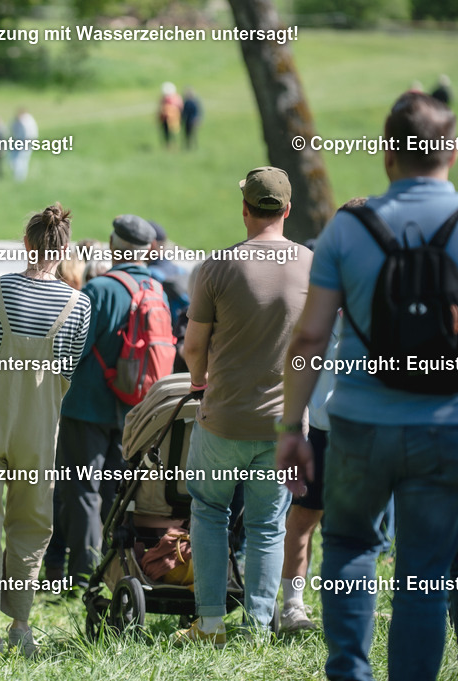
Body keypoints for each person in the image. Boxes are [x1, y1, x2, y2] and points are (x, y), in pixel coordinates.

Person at [277, 91, 458, 681]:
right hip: (443, 426)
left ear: (386, 155)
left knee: (351, 548)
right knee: (424, 573)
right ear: (450, 152)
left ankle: (349, 672)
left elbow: (307, 340)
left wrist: (292, 426)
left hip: (355, 422)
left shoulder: (347, 230)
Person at [0, 204, 91, 656]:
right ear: (64, 249)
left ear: (25, 244)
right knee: (31, 525)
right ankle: (21, 626)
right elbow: (69, 369)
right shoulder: (79, 304)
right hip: (40, 430)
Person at [175, 166, 313, 646]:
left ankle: (209, 623)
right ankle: (256, 628)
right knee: (268, 527)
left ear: (244, 209)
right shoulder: (312, 265)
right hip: (285, 422)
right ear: (288, 210)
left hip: (225, 416)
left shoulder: (216, 267)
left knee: (210, 512)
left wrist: (198, 384)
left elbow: (194, 346)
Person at [49, 215, 168, 591]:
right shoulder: (157, 289)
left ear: (114, 246)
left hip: (87, 406)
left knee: (81, 489)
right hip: (139, 410)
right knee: (117, 492)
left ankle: (84, 575)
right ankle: (113, 568)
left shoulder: (99, 289)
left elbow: (73, 349)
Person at [279, 312, 341, 633]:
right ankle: (292, 606)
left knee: (353, 529)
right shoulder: (319, 306)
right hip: (319, 429)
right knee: (304, 517)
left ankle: (344, 606)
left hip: (366, 430)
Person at [9, 108, 38, 183]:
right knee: (14, 160)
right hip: (17, 142)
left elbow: (31, 133)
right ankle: (17, 176)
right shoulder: (16, 121)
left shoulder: (27, 121)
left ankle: (20, 178)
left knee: (21, 160)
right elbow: (12, 130)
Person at [158, 82, 183, 149]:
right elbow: (160, 110)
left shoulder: (176, 98)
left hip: (173, 120)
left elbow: (180, 108)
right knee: (166, 134)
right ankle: (168, 145)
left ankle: (174, 145)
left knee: (173, 133)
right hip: (165, 119)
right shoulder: (163, 99)